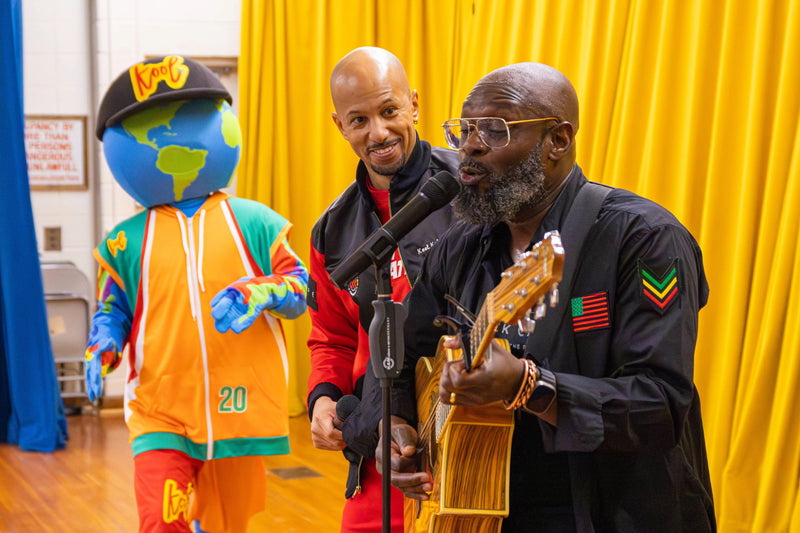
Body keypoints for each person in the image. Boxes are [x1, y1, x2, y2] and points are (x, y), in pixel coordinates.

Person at [373, 62, 716, 532]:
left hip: (608, 512)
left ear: (558, 139)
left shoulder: (644, 239)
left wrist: (529, 386)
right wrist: (394, 426)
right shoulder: (460, 246)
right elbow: (401, 360)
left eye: (495, 129)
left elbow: (659, 408)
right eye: (465, 129)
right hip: (477, 508)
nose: (471, 145)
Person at [85, 55, 308, 532]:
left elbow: (299, 289)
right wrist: (102, 342)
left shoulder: (257, 223)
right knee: (161, 522)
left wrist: (260, 292)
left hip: (238, 409)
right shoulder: (125, 241)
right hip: (159, 412)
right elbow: (114, 306)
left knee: (226, 525)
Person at [306, 47, 458, 532]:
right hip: (377, 451)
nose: (378, 133)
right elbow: (331, 335)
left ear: (414, 103)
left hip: (465, 438)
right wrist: (324, 398)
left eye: (389, 111)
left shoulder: (470, 189)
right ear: (339, 125)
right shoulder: (331, 231)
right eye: (359, 119)